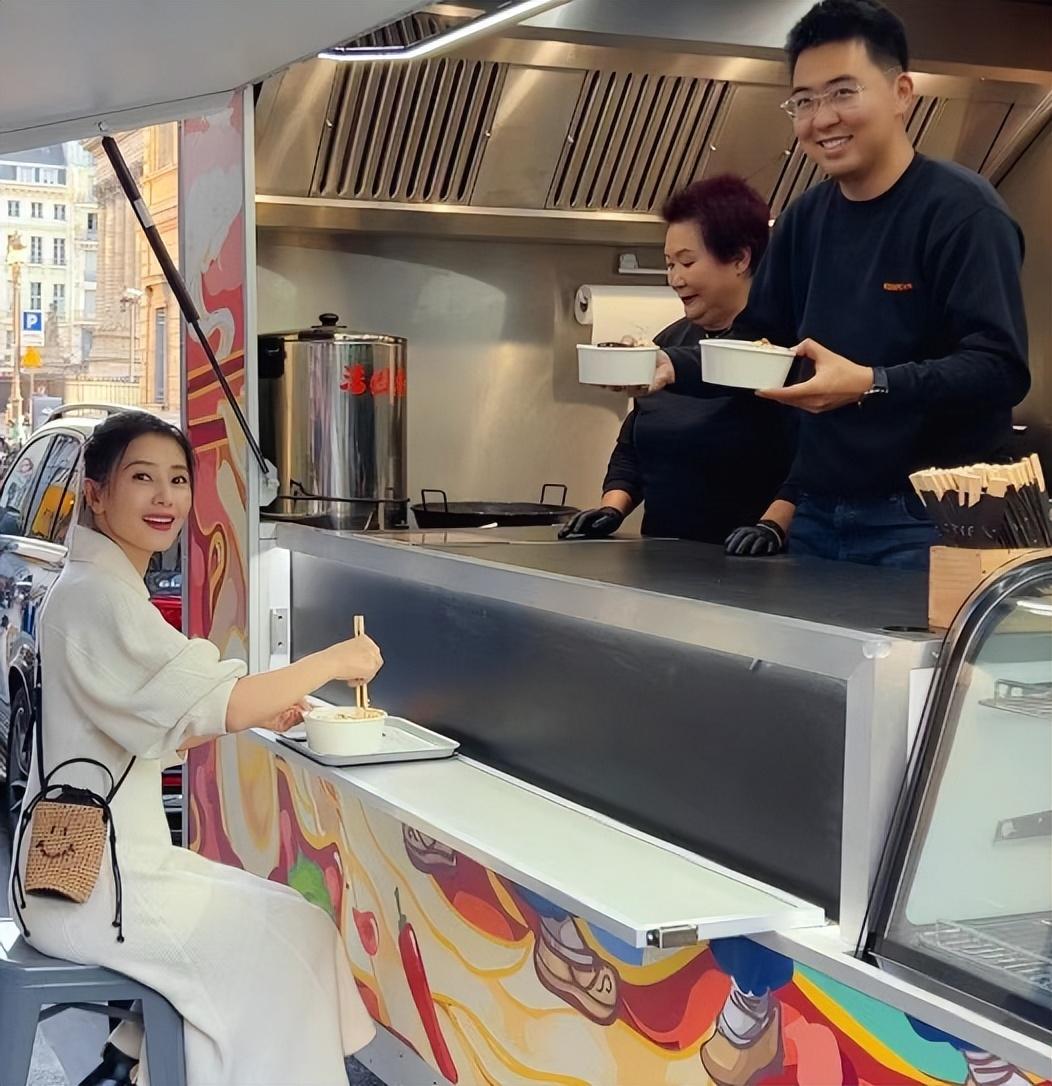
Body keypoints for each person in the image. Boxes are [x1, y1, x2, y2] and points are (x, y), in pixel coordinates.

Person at [8, 411, 384, 1086]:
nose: (165, 498)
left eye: (178, 480)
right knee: (291, 936)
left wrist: (259, 705)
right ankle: (138, 1064)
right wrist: (333, 660)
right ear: (96, 493)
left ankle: (129, 1062)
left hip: (102, 870)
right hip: (93, 889)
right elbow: (220, 701)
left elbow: (169, 715)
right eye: (142, 478)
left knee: (293, 922)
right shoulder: (100, 598)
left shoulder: (104, 588)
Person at [652, 0, 1030, 569]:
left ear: (902, 93)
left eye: (843, 92)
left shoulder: (963, 213)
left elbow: (1000, 369)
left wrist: (872, 384)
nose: (821, 119)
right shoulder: (804, 220)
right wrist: (670, 367)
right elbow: (760, 346)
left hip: (932, 517)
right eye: (803, 101)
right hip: (817, 514)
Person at [560, 176, 792, 544]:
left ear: (740, 258)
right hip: (662, 555)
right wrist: (612, 508)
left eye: (687, 262)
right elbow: (633, 445)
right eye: (669, 264)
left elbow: (810, 462)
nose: (675, 279)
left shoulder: (783, 348)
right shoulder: (669, 343)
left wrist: (773, 527)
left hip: (750, 561)